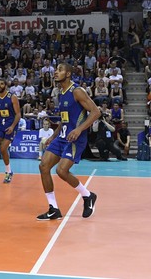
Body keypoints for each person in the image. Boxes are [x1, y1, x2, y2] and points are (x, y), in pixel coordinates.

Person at [37, 63, 100, 221]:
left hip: (75, 138)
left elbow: (95, 112)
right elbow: (64, 120)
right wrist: (53, 136)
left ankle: (87, 196)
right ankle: (53, 208)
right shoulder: (61, 93)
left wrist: (79, 129)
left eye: (60, 70)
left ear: (69, 74)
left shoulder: (77, 91)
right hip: (62, 136)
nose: (56, 72)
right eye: (56, 70)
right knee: (43, 166)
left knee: (61, 171)